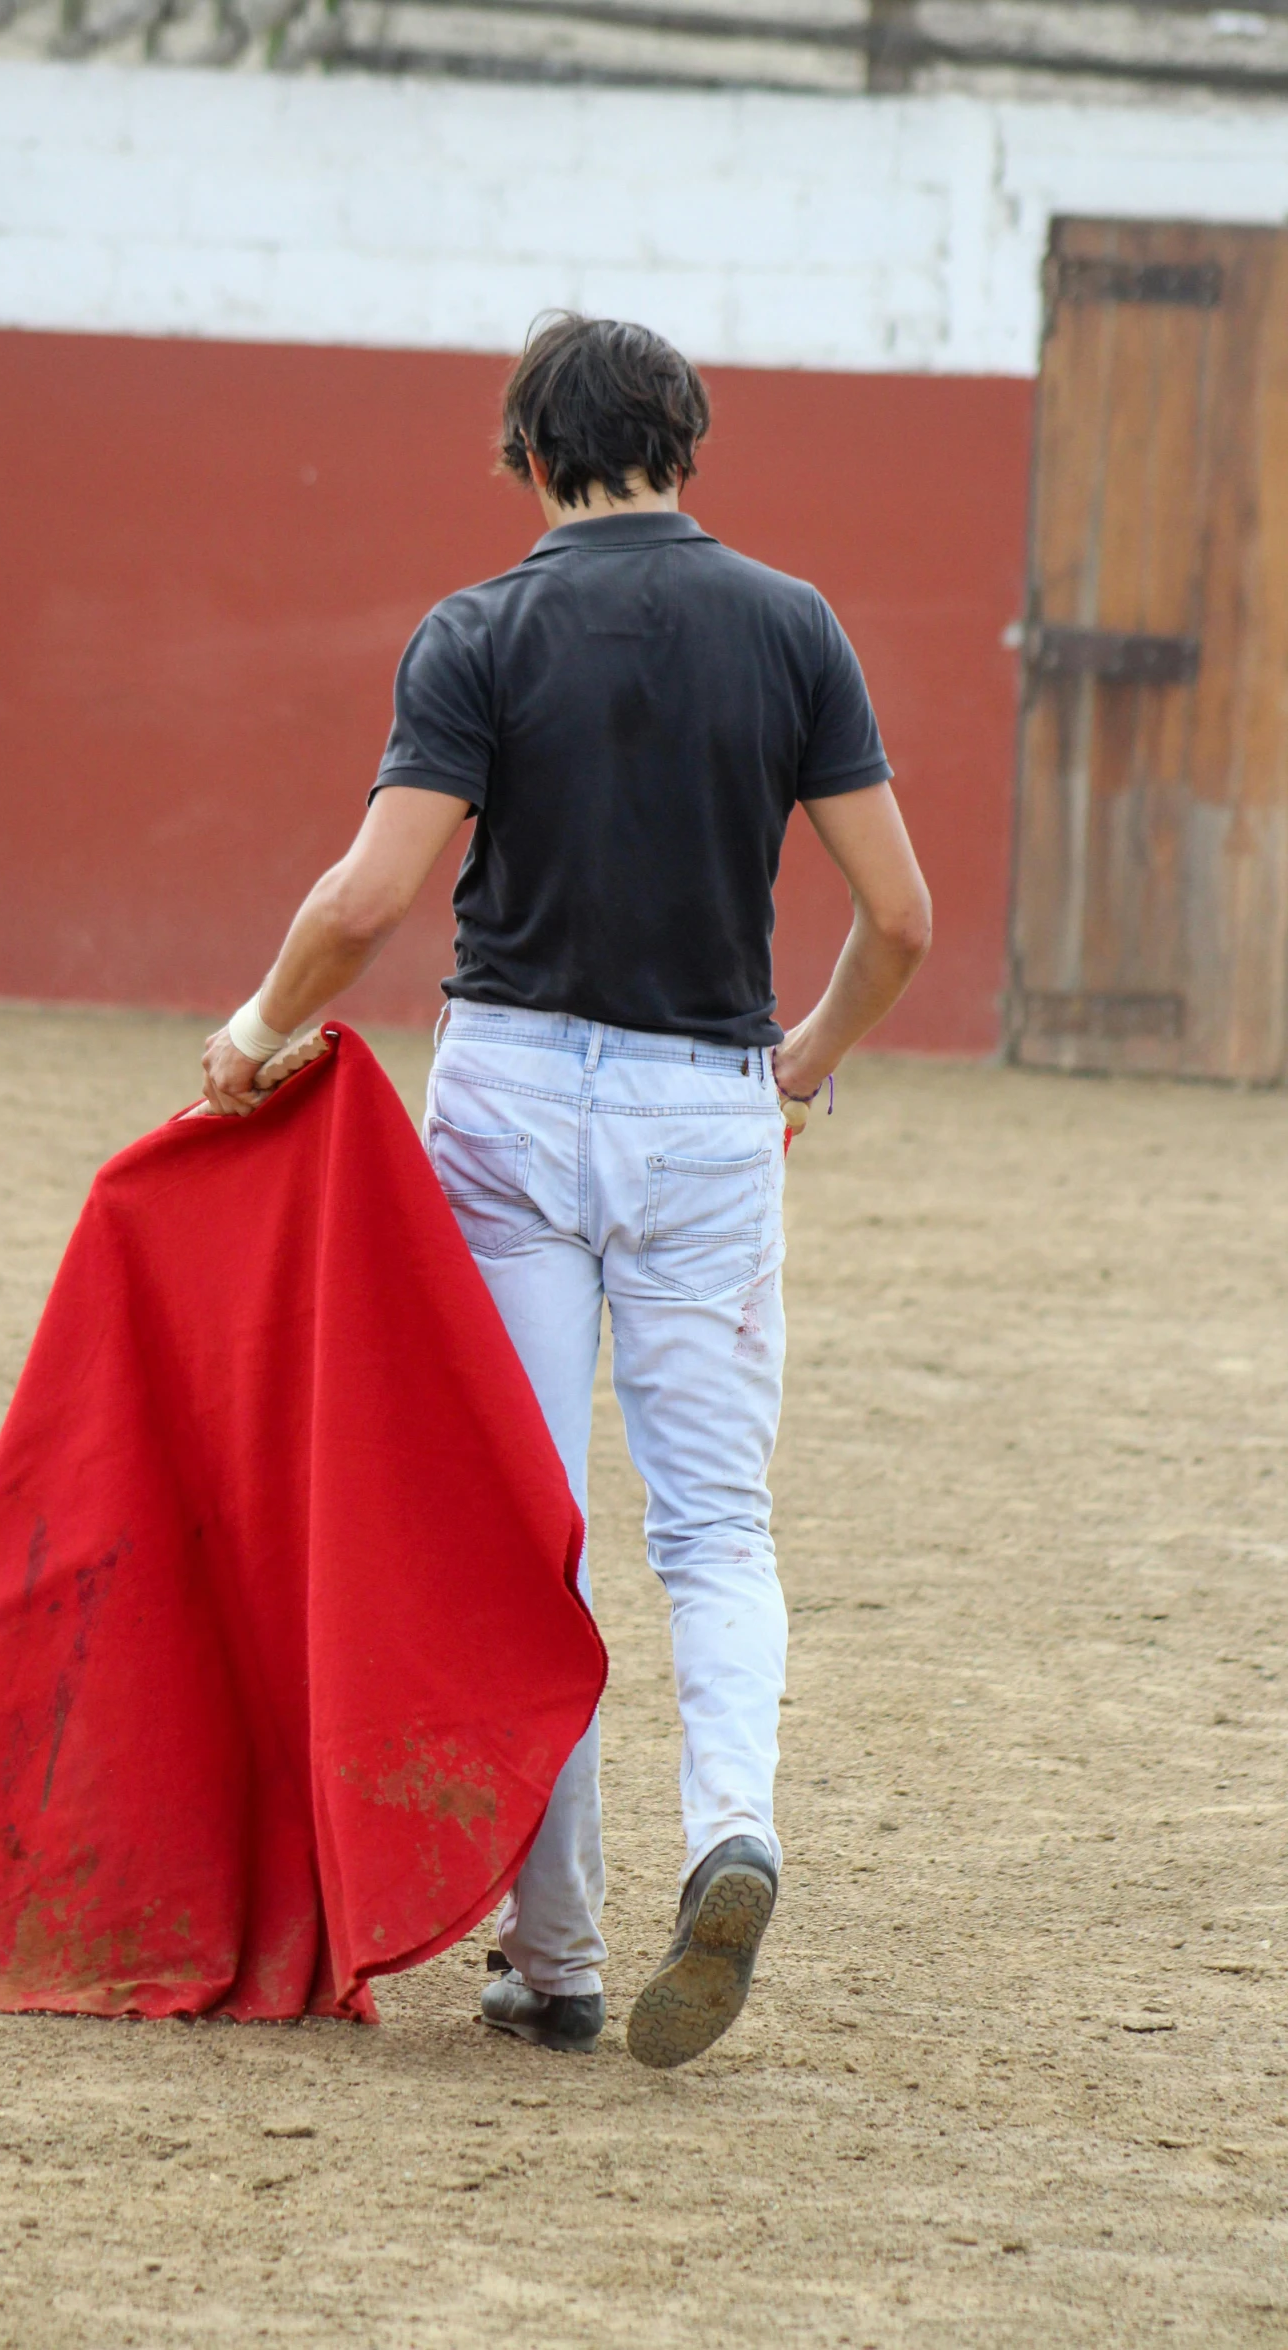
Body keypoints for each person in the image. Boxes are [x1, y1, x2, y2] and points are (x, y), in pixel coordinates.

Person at [200, 312, 931, 2069]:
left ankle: (557, 1955)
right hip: (704, 1107)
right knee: (714, 1526)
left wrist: (252, 1032)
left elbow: (370, 899)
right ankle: (731, 1828)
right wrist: (799, 1074)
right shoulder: (791, 626)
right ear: (686, 443)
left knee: (534, 1530)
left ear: (529, 458)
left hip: (516, 1102)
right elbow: (898, 921)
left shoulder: (481, 628)